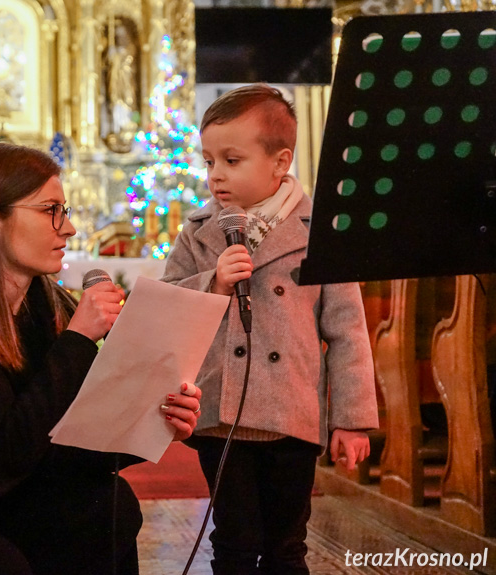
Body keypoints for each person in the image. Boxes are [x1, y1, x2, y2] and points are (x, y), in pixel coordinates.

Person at [0, 142, 202, 575]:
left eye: (65, 210)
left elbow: (67, 446)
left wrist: (158, 423)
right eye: (51, 209)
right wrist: (77, 340)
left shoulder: (46, 304)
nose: (68, 227)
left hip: (4, 488)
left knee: (111, 507)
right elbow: (12, 443)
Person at [160, 84, 379, 574]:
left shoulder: (318, 231)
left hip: (292, 416)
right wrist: (213, 282)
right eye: (209, 160)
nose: (215, 174)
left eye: (232, 160)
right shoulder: (198, 231)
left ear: (280, 163)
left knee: (285, 546)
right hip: (221, 416)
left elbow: (348, 331)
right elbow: (167, 305)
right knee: (234, 542)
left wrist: (352, 418)